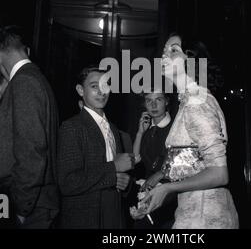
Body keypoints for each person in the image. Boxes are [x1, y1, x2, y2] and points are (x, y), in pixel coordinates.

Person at [141, 33, 239, 229]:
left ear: (192, 60)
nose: (165, 56)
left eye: (174, 50)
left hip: (205, 217)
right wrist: (160, 190)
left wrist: (168, 187)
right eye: (164, 51)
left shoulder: (197, 102)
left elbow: (219, 174)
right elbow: (194, 165)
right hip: (194, 213)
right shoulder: (189, 100)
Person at [57, 66, 134, 229]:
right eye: (94, 86)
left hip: (114, 215)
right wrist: (113, 168)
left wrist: (126, 183)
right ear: (80, 90)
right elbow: (67, 183)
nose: (102, 91)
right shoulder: (72, 127)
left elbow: (119, 176)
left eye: (106, 85)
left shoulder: (113, 128)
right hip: (85, 219)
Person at [0, 25, 59, 228]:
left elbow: (31, 151)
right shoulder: (34, 78)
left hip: (29, 207)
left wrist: (21, 209)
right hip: (37, 202)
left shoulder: (24, 82)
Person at [131, 89, 176, 228]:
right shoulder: (146, 129)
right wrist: (140, 132)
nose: (153, 105)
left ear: (167, 101)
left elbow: (183, 160)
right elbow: (135, 160)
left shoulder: (176, 127)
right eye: (149, 100)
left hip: (171, 194)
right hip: (148, 193)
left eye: (158, 99)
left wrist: (160, 174)